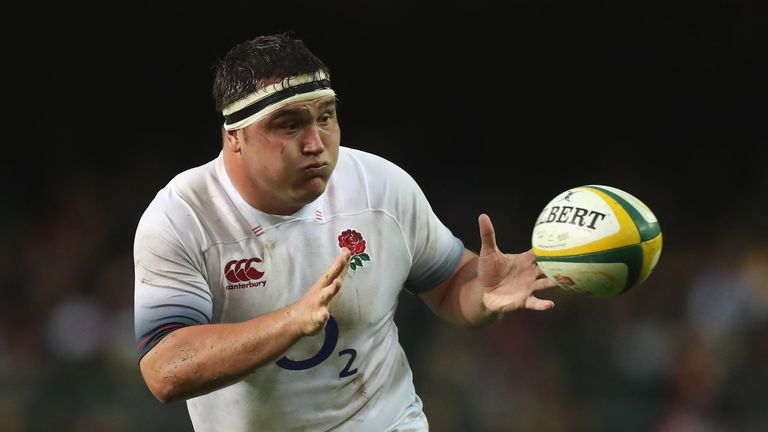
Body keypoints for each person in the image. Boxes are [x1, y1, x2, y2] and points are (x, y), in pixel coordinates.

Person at [133, 32, 557, 432]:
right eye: (289, 124)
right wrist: (291, 323)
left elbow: (448, 286)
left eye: (326, 117)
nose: (315, 141)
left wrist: (483, 293)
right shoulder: (182, 219)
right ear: (235, 136)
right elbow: (164, 370)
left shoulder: (380, 187)